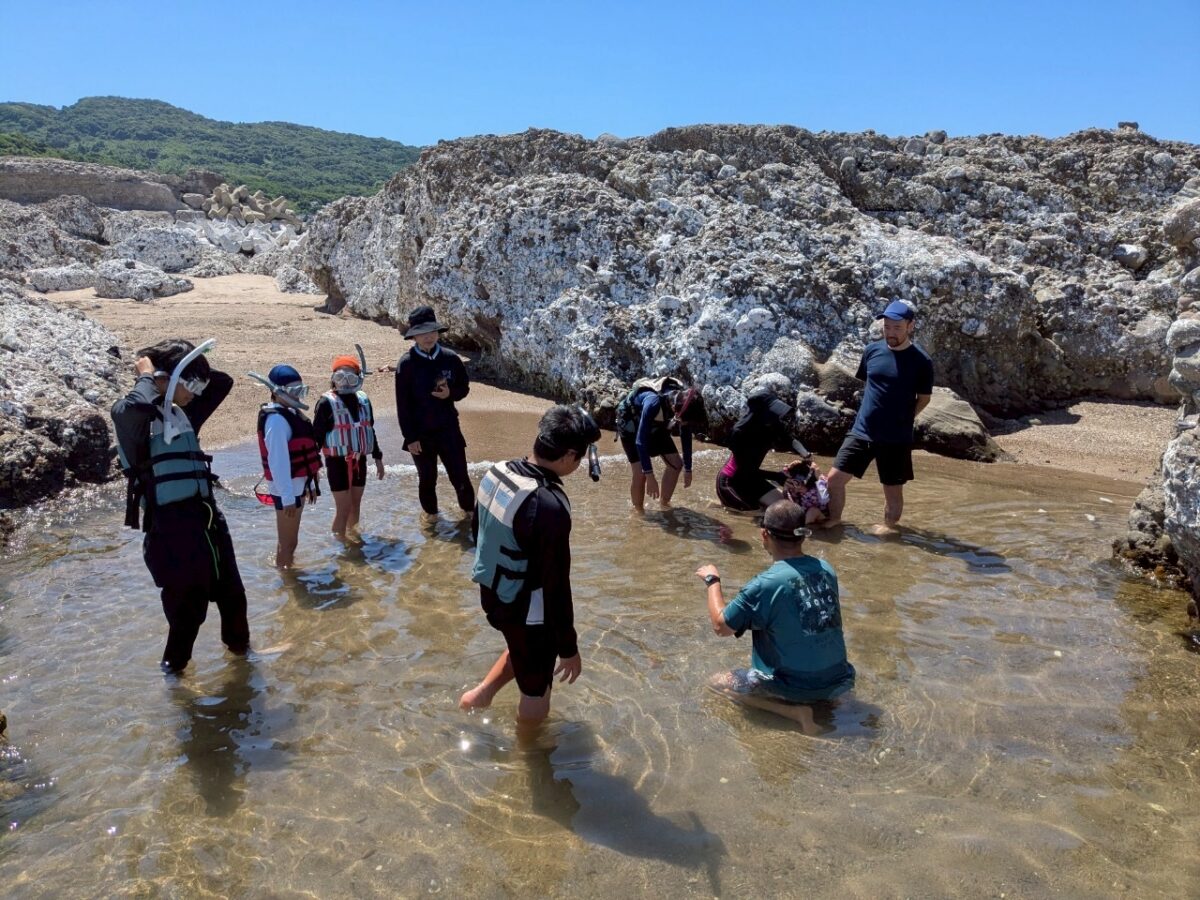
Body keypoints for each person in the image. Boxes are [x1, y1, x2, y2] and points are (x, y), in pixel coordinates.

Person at [111, 338, 250, 673]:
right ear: (165, 379)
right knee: (188, 613)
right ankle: (175, 678)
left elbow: (223, 382)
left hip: (207, 520)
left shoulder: (184, 412)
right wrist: (150, 375)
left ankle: (243, 662)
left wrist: (191, 363)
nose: (198, 392)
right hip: (171, 529)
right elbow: (129, 409)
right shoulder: (136, 419)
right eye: (192, 383)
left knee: (233, 598)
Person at [459, 405, 602, 728]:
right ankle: (530, 765)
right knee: (536, 693)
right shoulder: (549, 506)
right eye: (579, 459)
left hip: (494, 593)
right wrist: (568, 647)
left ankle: (477, 697)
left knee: (521, 648)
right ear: (567, 456)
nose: (578, 465)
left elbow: (477, 531)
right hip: (527, 609)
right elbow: (556, 584)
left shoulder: (497, 471)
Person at [695, 499, 855, 730]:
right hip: (840, 679)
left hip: (794, 687)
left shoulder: (765, 585)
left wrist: (713, 581)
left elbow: (721, 627)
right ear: (802, 535)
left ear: (764, 535)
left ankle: (793, 711)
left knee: (716, 683)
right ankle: (827, 701)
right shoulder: (825, 568)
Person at [823, 299, 934, 530]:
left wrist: (905, 418)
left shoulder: (922, 362)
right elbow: (870, 385)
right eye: (887, 327)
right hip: (862, 430)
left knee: (892, 493)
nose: (890, 333)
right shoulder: (872, 350)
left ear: (910, 326)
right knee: (833, 480)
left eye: (897, 328)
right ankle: (835, 521)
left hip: (896, 437)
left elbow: (924, 398)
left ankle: (889, 530)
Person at [394, 305, 473, 517]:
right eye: (422, 333)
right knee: (427, 480)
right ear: (414, 337)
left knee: (461, 477)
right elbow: (403, 405)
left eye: (431, 331)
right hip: (420, 434)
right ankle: (432, 522)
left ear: (438, 332)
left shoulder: (450, 358)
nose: (428, 337)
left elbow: (464, 389)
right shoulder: (406, 364)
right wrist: (410, 437)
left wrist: (450, 394)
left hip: (449, 430)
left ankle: (469, 518)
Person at [254, 364, 322, 568]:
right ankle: (287, 585)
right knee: (287, 543)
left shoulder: (291, 413)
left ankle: (288, 576)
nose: (298, 396)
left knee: (291, 542)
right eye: (293, 391)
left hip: (296, 486)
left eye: (300, 390)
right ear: (276, 391)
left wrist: (309, 484)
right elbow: (279, 463)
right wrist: (287, 498)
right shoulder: (276, 421)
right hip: (288, 490)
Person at [313, 354, 385, 537]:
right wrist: (313, 469)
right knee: (343, 509)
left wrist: (378, 458)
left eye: (350, 378)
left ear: (358, 379)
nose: (344, 383)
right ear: (333, 379)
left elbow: (369, 429)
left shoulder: (363, 400)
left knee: (355, 505)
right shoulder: (325, 403)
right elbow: (317, 437)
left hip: (359, 460)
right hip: (336, 463)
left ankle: (354, 541)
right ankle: (341, 549)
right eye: (339, 377)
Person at [616, 377, 707, 511]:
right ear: (675, 410)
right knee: (640, 473)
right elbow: (640, 441)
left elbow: (686, 434)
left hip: (655, 424)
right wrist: (650, 475)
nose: (685, 425)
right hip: (630, 422)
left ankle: (664, 505)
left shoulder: (685, 404)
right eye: (684, 421)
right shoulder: (652, 402)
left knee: (676, 465)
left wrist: (688, 468)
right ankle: (638, 512)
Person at [715, 386, 811, 512]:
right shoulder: (739, 433)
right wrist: (778, 476)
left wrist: (807, 456)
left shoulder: (772, 423)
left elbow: (790, 440)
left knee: (786, 508)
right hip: (731, 482)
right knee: (752, 513)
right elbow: (746, 471)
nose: (775, 416)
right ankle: (718, 507)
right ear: (759, 413)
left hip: (752, 479)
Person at [782, 458, 830, 525]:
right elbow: (785, 471)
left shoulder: (819, 485)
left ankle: (804, 530)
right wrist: (790, 466)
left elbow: (824, 499)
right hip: (803, 512)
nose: (796, 486)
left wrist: (818, 476)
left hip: (820, 515)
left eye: (800, 483)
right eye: (794, 482)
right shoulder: (792, 485)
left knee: (813, 511)